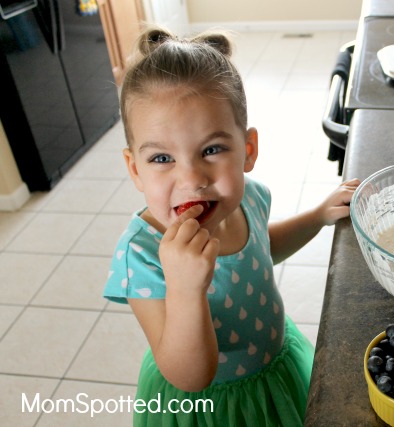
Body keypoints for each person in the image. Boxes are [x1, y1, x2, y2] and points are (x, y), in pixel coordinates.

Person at [102, 25, 360, 426]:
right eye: (161, 159)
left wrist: (317, 217)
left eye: (211, 150)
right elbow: (189, 377)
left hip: (275, 371)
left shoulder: (247, 198)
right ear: (135, 169)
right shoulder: (142, 254)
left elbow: (261, 248)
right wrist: (187, 289)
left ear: (248, 150)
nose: (191, 179)